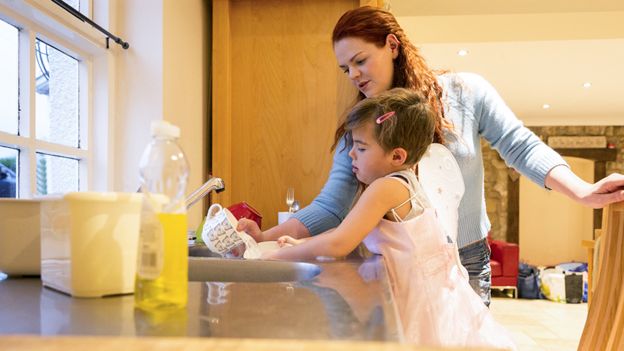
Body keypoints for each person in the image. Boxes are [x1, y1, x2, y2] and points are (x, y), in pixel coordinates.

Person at [238, 6, 624, 306]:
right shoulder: (360, 131)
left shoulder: (465, 92)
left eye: (359, 60)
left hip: (466, 260)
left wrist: (582, 192)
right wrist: (266, 238)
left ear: (391, 45)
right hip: (395, 267)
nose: (353, 75)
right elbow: (331, 206)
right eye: (345, 68)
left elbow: (519, 145)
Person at [245, 88, 517, 348]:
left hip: (421, 299)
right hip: (434, 293)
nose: (351, 154)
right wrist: (299, 245)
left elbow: (340, 243)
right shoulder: (403, 182)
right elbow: (347, 229)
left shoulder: (385, 188)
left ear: (397, 156)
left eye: (361, 148)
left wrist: (274, 257)